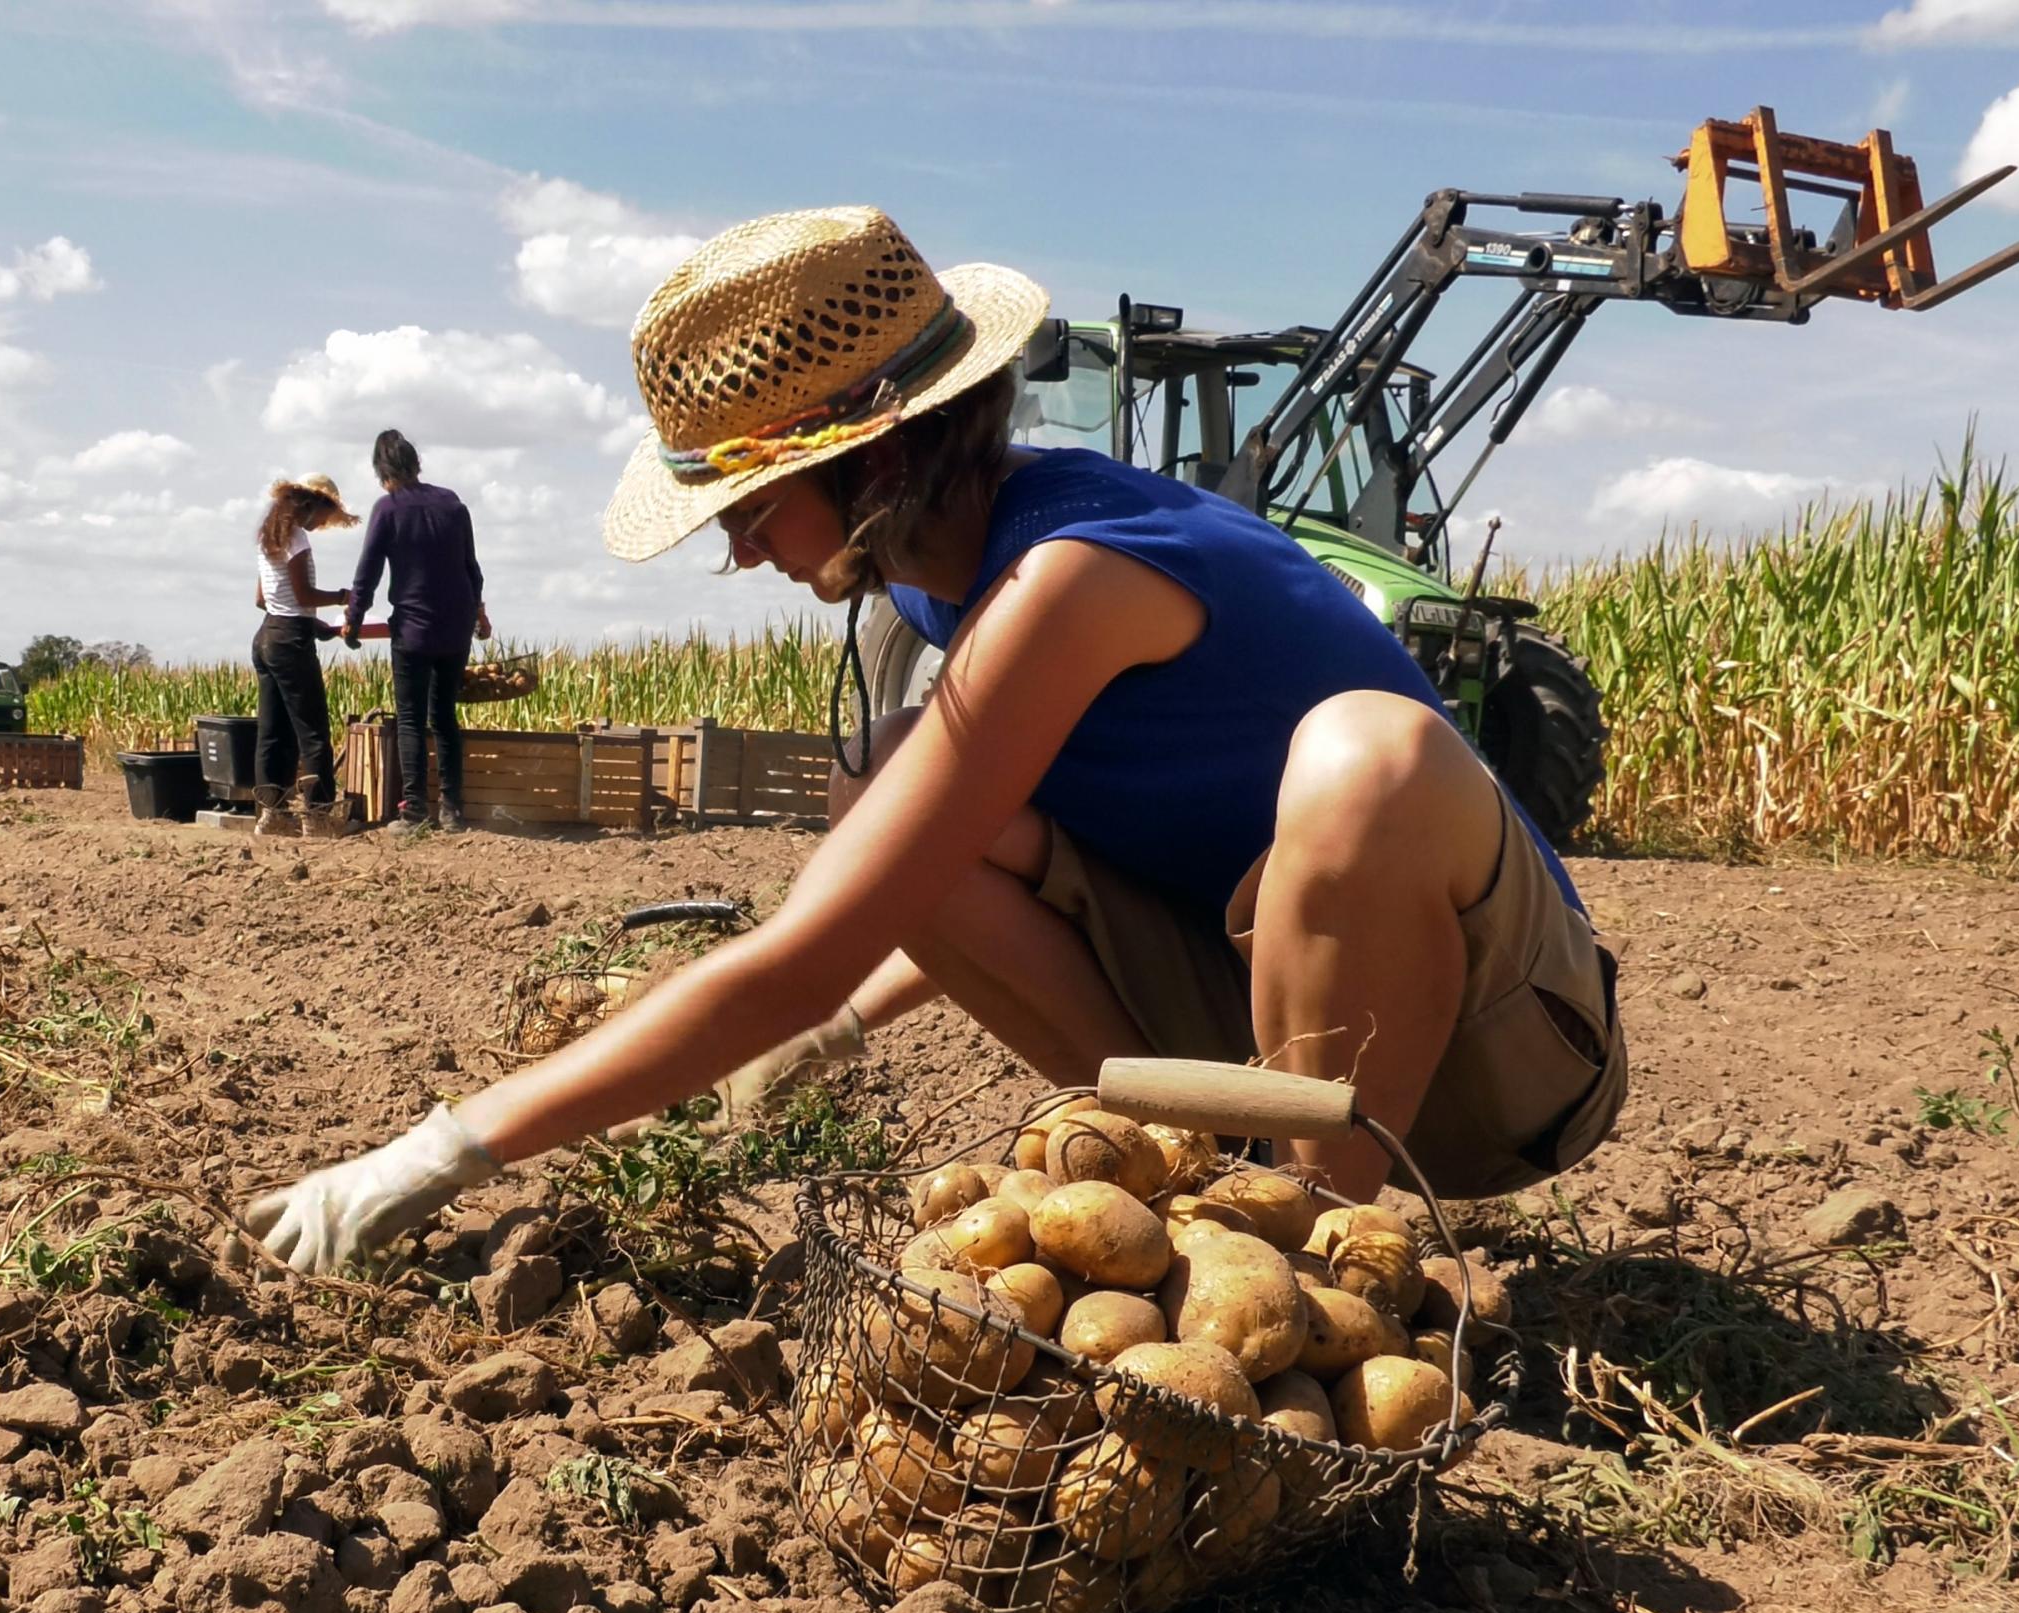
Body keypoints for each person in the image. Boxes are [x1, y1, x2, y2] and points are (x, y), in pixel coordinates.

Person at [245, 205, 1628, 1273]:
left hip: (1502, 1062)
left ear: (876, 461)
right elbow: (918, 876)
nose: (737, 550)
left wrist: (441, 1152)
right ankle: (1205, 1186)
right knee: (881, 778)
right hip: (1258, 1017)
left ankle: (1307, 1266)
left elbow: (798, 953)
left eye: (755, 503)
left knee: (1365, 760)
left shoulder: (1069, 577)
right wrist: (847, 1025)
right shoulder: (928, 578)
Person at [347, 430, 491, 832]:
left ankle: (414, 812)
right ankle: (453, 812)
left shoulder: (388, 509)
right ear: (416, 463)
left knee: (411, 718)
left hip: (413, 630)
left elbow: (368, 571)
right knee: (444, 716)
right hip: (455, 629)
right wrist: (478, 614)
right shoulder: (452, 503)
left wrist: (354, 621)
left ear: (382, 472)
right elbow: (471, 568)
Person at [252, 473, 359, 840]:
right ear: (310, 505)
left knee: (273, 732)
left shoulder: (271, 538)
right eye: (323, 514)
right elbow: (303, 596)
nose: (321, 524)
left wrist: (318, 628)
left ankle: (272, 813)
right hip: (290, 643)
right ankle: (318, 815)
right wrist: (343, 597)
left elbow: (264, 600)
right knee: (313, 732)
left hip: (268, 637)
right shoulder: (297, 539)